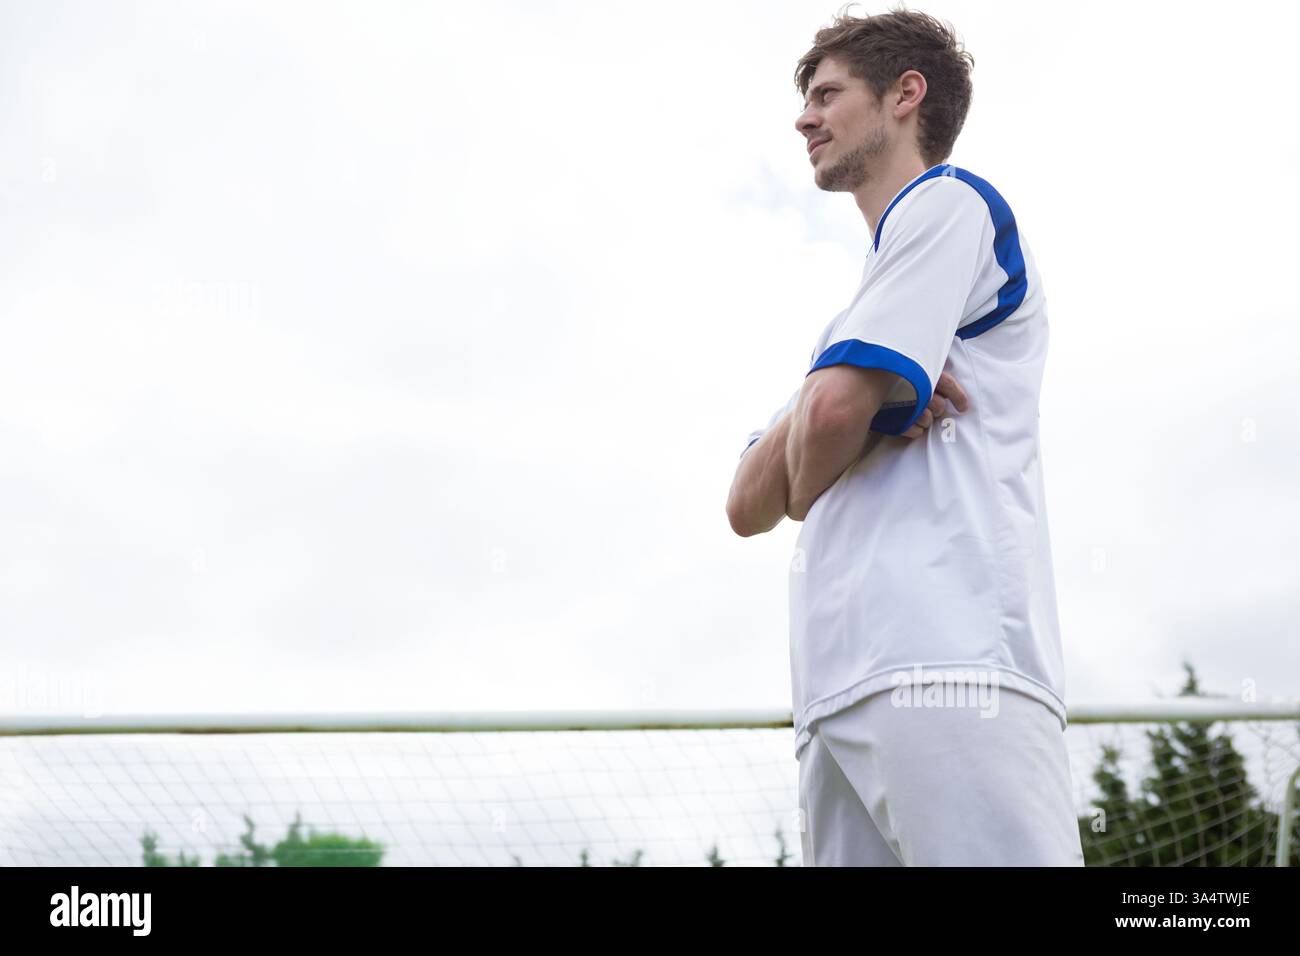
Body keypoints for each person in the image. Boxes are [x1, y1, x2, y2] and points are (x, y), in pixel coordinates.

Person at [725, 8, 1084, 866]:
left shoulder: (949, 203)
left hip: (951, 660)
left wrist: (816, 457)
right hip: (837, 691)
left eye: (827, 93)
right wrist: (840, 420)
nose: (804, 117)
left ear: (904, 95)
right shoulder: (852, 319)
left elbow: (819, 432)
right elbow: (742, 504)